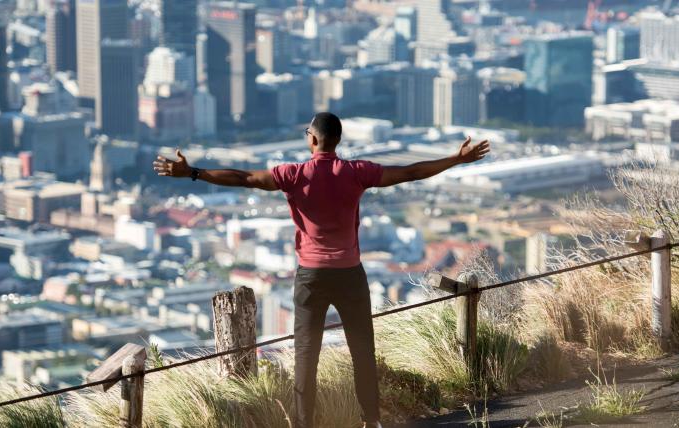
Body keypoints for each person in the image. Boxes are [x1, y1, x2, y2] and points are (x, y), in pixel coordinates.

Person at [152, 112, 490, 428]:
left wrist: (192, 172)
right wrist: (456, 159)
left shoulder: (294, 175)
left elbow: (244, 178)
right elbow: (410, 172)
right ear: (337, 141)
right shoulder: (356, 172)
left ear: (313, 140)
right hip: (350, 275)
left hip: (311, 277)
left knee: (305, 358)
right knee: (362, 352)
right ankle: (371, 422)